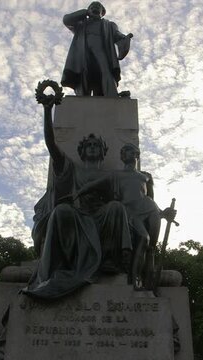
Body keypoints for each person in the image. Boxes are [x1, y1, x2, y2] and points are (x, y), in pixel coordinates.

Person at [24, 96, 132, 299]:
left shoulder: (111, 176)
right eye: (88, 144)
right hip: (77, 216)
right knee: (62, 211)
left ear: (102, 150)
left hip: (100, 217)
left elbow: (128, 198)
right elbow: (51, 145)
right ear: (81, 151)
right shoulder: (71, 168)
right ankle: (60, 264)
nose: (92, 147)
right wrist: (48, 111)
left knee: (117, 208)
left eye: (96, 145)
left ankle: (112, 262)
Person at [74, 144, 177, 290]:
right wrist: (77, 193)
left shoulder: (146, 176)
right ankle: (134, 278)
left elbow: (151, 198)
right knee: (143, 238)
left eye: (130, 151)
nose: (127, 154)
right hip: (129, 211)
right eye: (124, 152)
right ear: (121, 157)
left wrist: (164, 213)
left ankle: (150, 282)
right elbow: (93, 185)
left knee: (151, 249)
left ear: (137, 155)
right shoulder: (115, 174)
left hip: (149, 208)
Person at [61, 1, 133, 97]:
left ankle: (111, 94)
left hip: (101, 49)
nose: (95, 7)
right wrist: (84, 12)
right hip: (83, 50)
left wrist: (125, 39)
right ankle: (82, 96)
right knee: (84, 72)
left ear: (102, 12)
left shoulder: (109, 25)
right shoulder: (81, 24)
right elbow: (67, 20)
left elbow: (118, 35)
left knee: (105, 69)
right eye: (92, 6)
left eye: (98, 6)